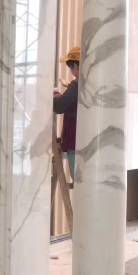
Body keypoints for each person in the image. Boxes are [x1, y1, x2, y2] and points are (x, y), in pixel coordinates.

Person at [53, 45, 80, 180]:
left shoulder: (76, 85)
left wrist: (55, 93)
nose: (71, 71)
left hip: (74, 140)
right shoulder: (92, 83)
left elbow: (59, 107)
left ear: (76, 66)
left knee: (79, 182)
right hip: (87, 141)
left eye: (71, 67)